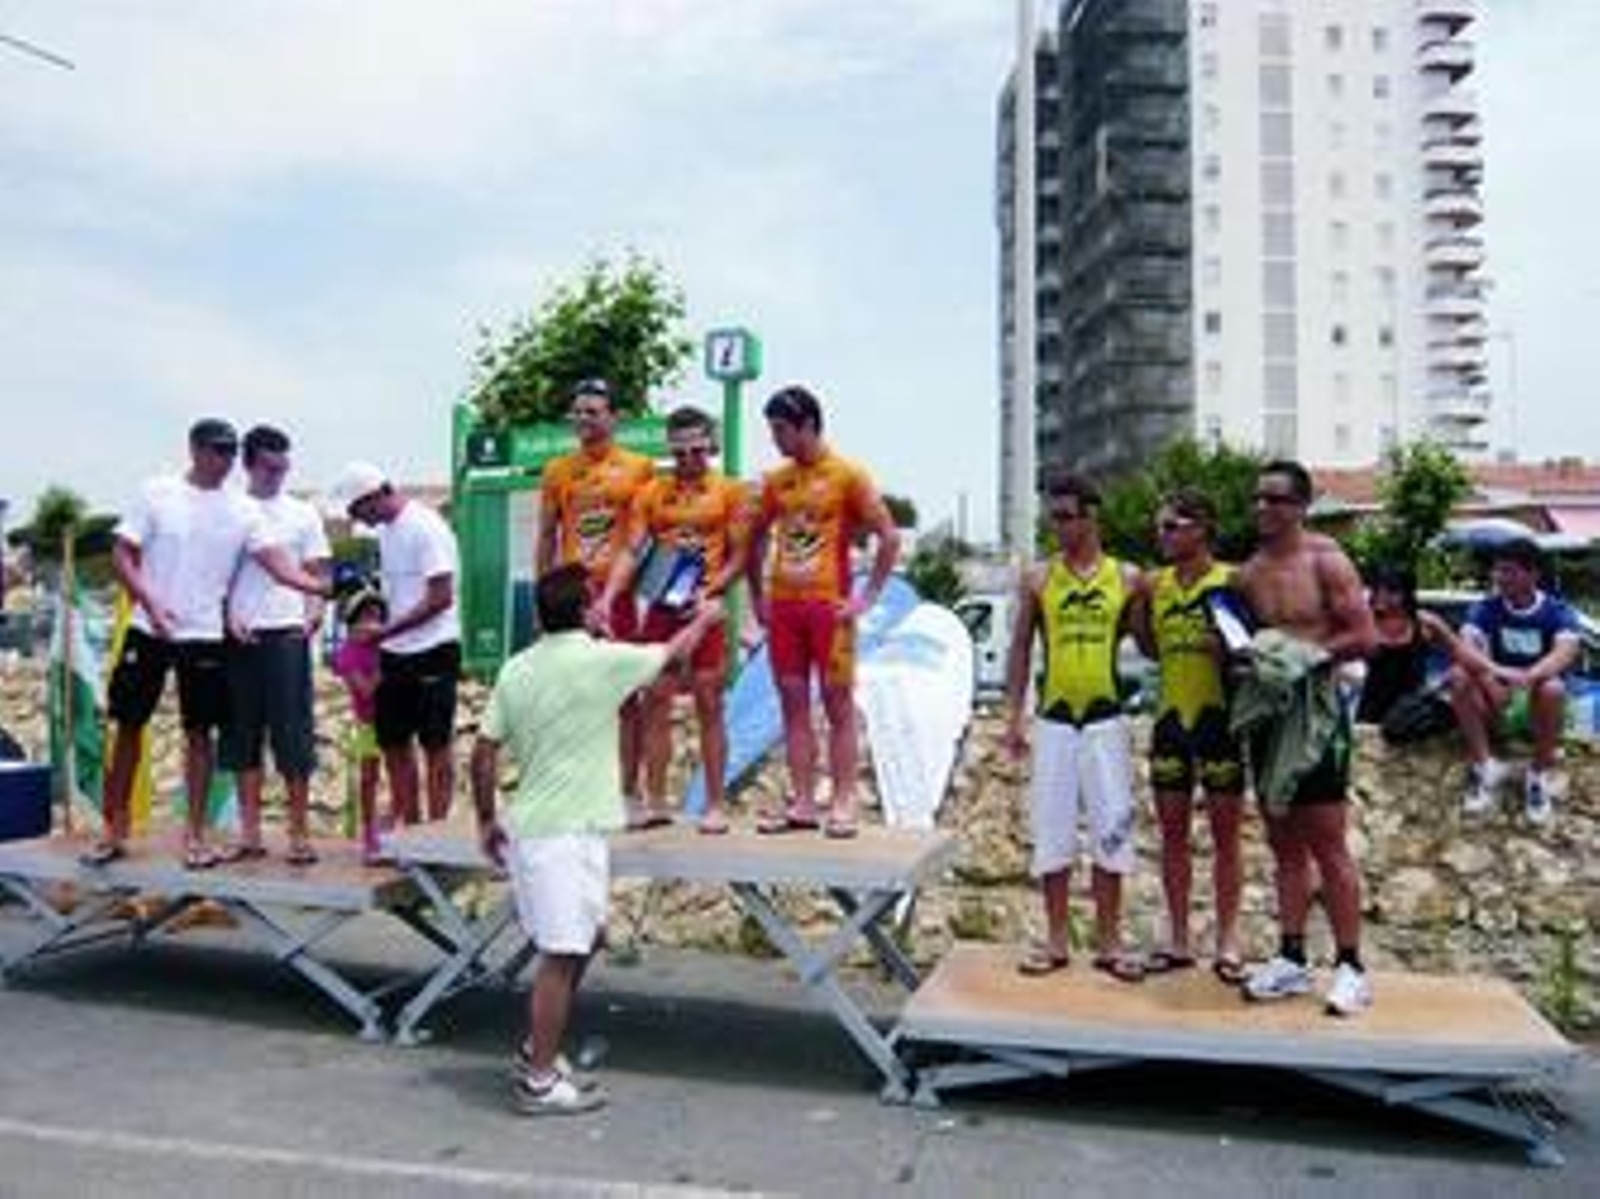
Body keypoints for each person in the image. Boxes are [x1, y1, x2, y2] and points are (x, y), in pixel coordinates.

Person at [471, 564, 722, 1116]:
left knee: (586, 940)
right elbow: (672, 655)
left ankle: (537, 1048)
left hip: (547, 829)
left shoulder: (517, 669)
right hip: (563, 834)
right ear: (586, 609)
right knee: (562, 955)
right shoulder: (602, 660)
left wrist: (486, 819)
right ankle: (537, 1079)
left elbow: (483, 752)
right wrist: (705, 617)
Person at [89, 419, 328, 868]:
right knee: (128, 725)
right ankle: (111, 827)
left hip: (203, 635)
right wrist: (151, 603)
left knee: (200, 735)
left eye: (230, 452)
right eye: (216, 451)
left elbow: (277, 564)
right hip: (149, 626)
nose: (224, 461)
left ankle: (195, 835)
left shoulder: (242, 509)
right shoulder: (156, 492)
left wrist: (318, 588)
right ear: (194, 450)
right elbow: (121, 554)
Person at [1235, 460, 1378, 1016]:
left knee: (1329, 841)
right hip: (1269, 715)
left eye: (1274, 500)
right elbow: (1249, 645)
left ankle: (1351, 967)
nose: (1263, 509)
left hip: (1317, 713)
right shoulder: (1248, 573)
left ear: (1299, 506)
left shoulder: (1327, 559)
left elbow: (1365, 636)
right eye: (1258, 499)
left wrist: (1308, 656)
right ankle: (1292, 959)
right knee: (1282, 842)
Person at [1004, 472, 1146, 983]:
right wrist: (1012, 716)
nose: (1058, 527)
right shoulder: (1039, 578)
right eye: (1053, 517)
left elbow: (1150, 646)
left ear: (1091, 515)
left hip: (1107, 718)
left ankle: (1109, 941)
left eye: (1067, 516)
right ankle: (1057, 937)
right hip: (1056, 719)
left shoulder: (1128, 577)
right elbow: (1021, 648)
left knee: (1112, 828)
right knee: (1052, 829)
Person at [746, 384, 900, 838]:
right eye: (771, 430)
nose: (774, 439)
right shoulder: (777, 481)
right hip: (785, 609)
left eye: (780, 430)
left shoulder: (848, 475)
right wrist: (757, 595)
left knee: (838, 705)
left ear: (807, 426)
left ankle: (845, 801)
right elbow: (754, 539)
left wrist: (866, 598)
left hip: (829, 609)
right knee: (792, 704)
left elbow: (888, 537)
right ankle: (803, 802)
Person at [596, 405, 751, 834]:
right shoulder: (651, 492)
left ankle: (716, 803)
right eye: (679, 453)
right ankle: (656, 800)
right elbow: (632, 549)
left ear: (711, 447)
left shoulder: (730, 491)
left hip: (706, 609)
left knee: (709, 702)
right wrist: (609, 596)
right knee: (655, 700)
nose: (687, 462)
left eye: (696, 452)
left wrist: (712, 590)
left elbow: (740, 555)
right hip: (663, 607)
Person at [1134, 487, 1246, 984]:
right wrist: (1138, 605)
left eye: (1171, 526)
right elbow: (1149, 649)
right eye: (1159, 527)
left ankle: (1227, 941)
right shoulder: (1155, 585)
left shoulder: (1233, 581)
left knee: (1226, 838)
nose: (1161, 535)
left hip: (1219, 722)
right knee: (1172, 835)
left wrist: (1222, 648)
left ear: (1200, 529)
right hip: (1170, 722)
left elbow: (1248, 652)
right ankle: (1179, 940)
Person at [536, 378, 656, 817]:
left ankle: (628, 790)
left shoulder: (639, 467)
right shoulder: (557, 470)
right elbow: (547, 537)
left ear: (613, 417)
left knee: (624, 694)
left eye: (593, 411)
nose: (584, 419)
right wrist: (543, 597)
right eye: (579, 412)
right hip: (571, 599)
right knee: (573, 696)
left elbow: (643, 539)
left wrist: (627, 593)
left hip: (617, 596)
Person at [222, 425, 330, 865]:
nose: (277, 476)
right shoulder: (229, 509)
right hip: (240, 634)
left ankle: (299, 832)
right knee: (241, 732)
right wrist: (227, 613)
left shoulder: (303, 513)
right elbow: (218, 572)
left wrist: (315, 609)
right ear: (248, 464)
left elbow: (317, 569)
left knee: (293, 734)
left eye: (283, 467)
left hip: (287, 632)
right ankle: (250, 832)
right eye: (269, 467)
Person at [331, 462, 461, 827]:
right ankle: (412, 826)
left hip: (434, 648)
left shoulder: (425, 527)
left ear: (376, 495)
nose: (360, 520)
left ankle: (436, 832)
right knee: (393, 742)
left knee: (436, 746)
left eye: (359, 511)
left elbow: (441, 597)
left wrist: (385, 632)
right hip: (396, 652)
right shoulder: (387, 532)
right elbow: (398, 595)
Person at [1449, 536, 1581, 824]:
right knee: (1459, 676)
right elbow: (1465, 647)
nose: (1499, 577)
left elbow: (1565, 652)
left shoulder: (1557, 612)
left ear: (1533, 573)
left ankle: (1538, 775)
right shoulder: (1485, 608)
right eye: (1497, 570)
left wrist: (1528, 678)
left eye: (1508, 570)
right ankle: (1485, 767)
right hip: (1496, 699)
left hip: (1536, 706)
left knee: (1553, 686)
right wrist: (1492, 675)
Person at [1354, 566, 1455, 728]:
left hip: (1413, 710)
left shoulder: (1425, 623)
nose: (1383, 597)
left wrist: (1442, 682)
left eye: (1391, 591)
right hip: (1372, 709)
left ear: (1406, 593)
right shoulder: (1364, 623)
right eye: (1378, 590)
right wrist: (1355, 679)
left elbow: (1462, 654)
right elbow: (1332, 658)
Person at [332, 587, 387, 864]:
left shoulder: (386, 645)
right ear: (353, 621)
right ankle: (369, 835)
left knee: (402, 777)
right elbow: (365, 690)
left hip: (393, 720)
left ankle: (396, 830)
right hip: (368, 725)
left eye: (378, 616)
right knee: (368, 779)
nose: (373, 623)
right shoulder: (347, 653)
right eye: (366, 616)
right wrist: (385, 667)